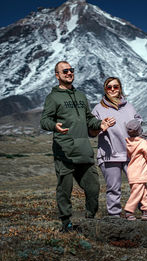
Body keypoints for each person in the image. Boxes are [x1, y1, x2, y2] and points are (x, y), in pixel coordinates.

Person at [40, 61, 115, 232]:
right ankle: (66, 223)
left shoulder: (81, 96)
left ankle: (90, 220)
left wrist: (100, 124)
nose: (69, 73)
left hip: (84, 150)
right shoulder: (53, 98)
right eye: (64, 71)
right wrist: (54, 126)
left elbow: (89, 119)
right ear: (57, 75)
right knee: (65, 190)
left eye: (71, 70)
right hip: (64, 151)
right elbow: (44, 120)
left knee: (93, 187)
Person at [90, 77, 141, 217]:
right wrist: (102, 126)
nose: (112, 89)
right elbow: (91, 132)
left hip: (130, 153)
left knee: (138, 184)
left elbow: (138, 122)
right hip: (109, 155)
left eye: (115, 87)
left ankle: (144, 212)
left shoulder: (129, 106)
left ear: (120, 88)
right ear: (105, 89)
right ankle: (114, 217)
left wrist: (136, 126)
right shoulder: (98, 109)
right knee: (113, 188)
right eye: (109, 87)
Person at [124, 119, 147, 221]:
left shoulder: (129, 143)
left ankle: (146, 210)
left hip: (132, 171)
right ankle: (129, 211)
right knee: (137, 192)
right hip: (140, 171)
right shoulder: (143, 143)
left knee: (144, 191)